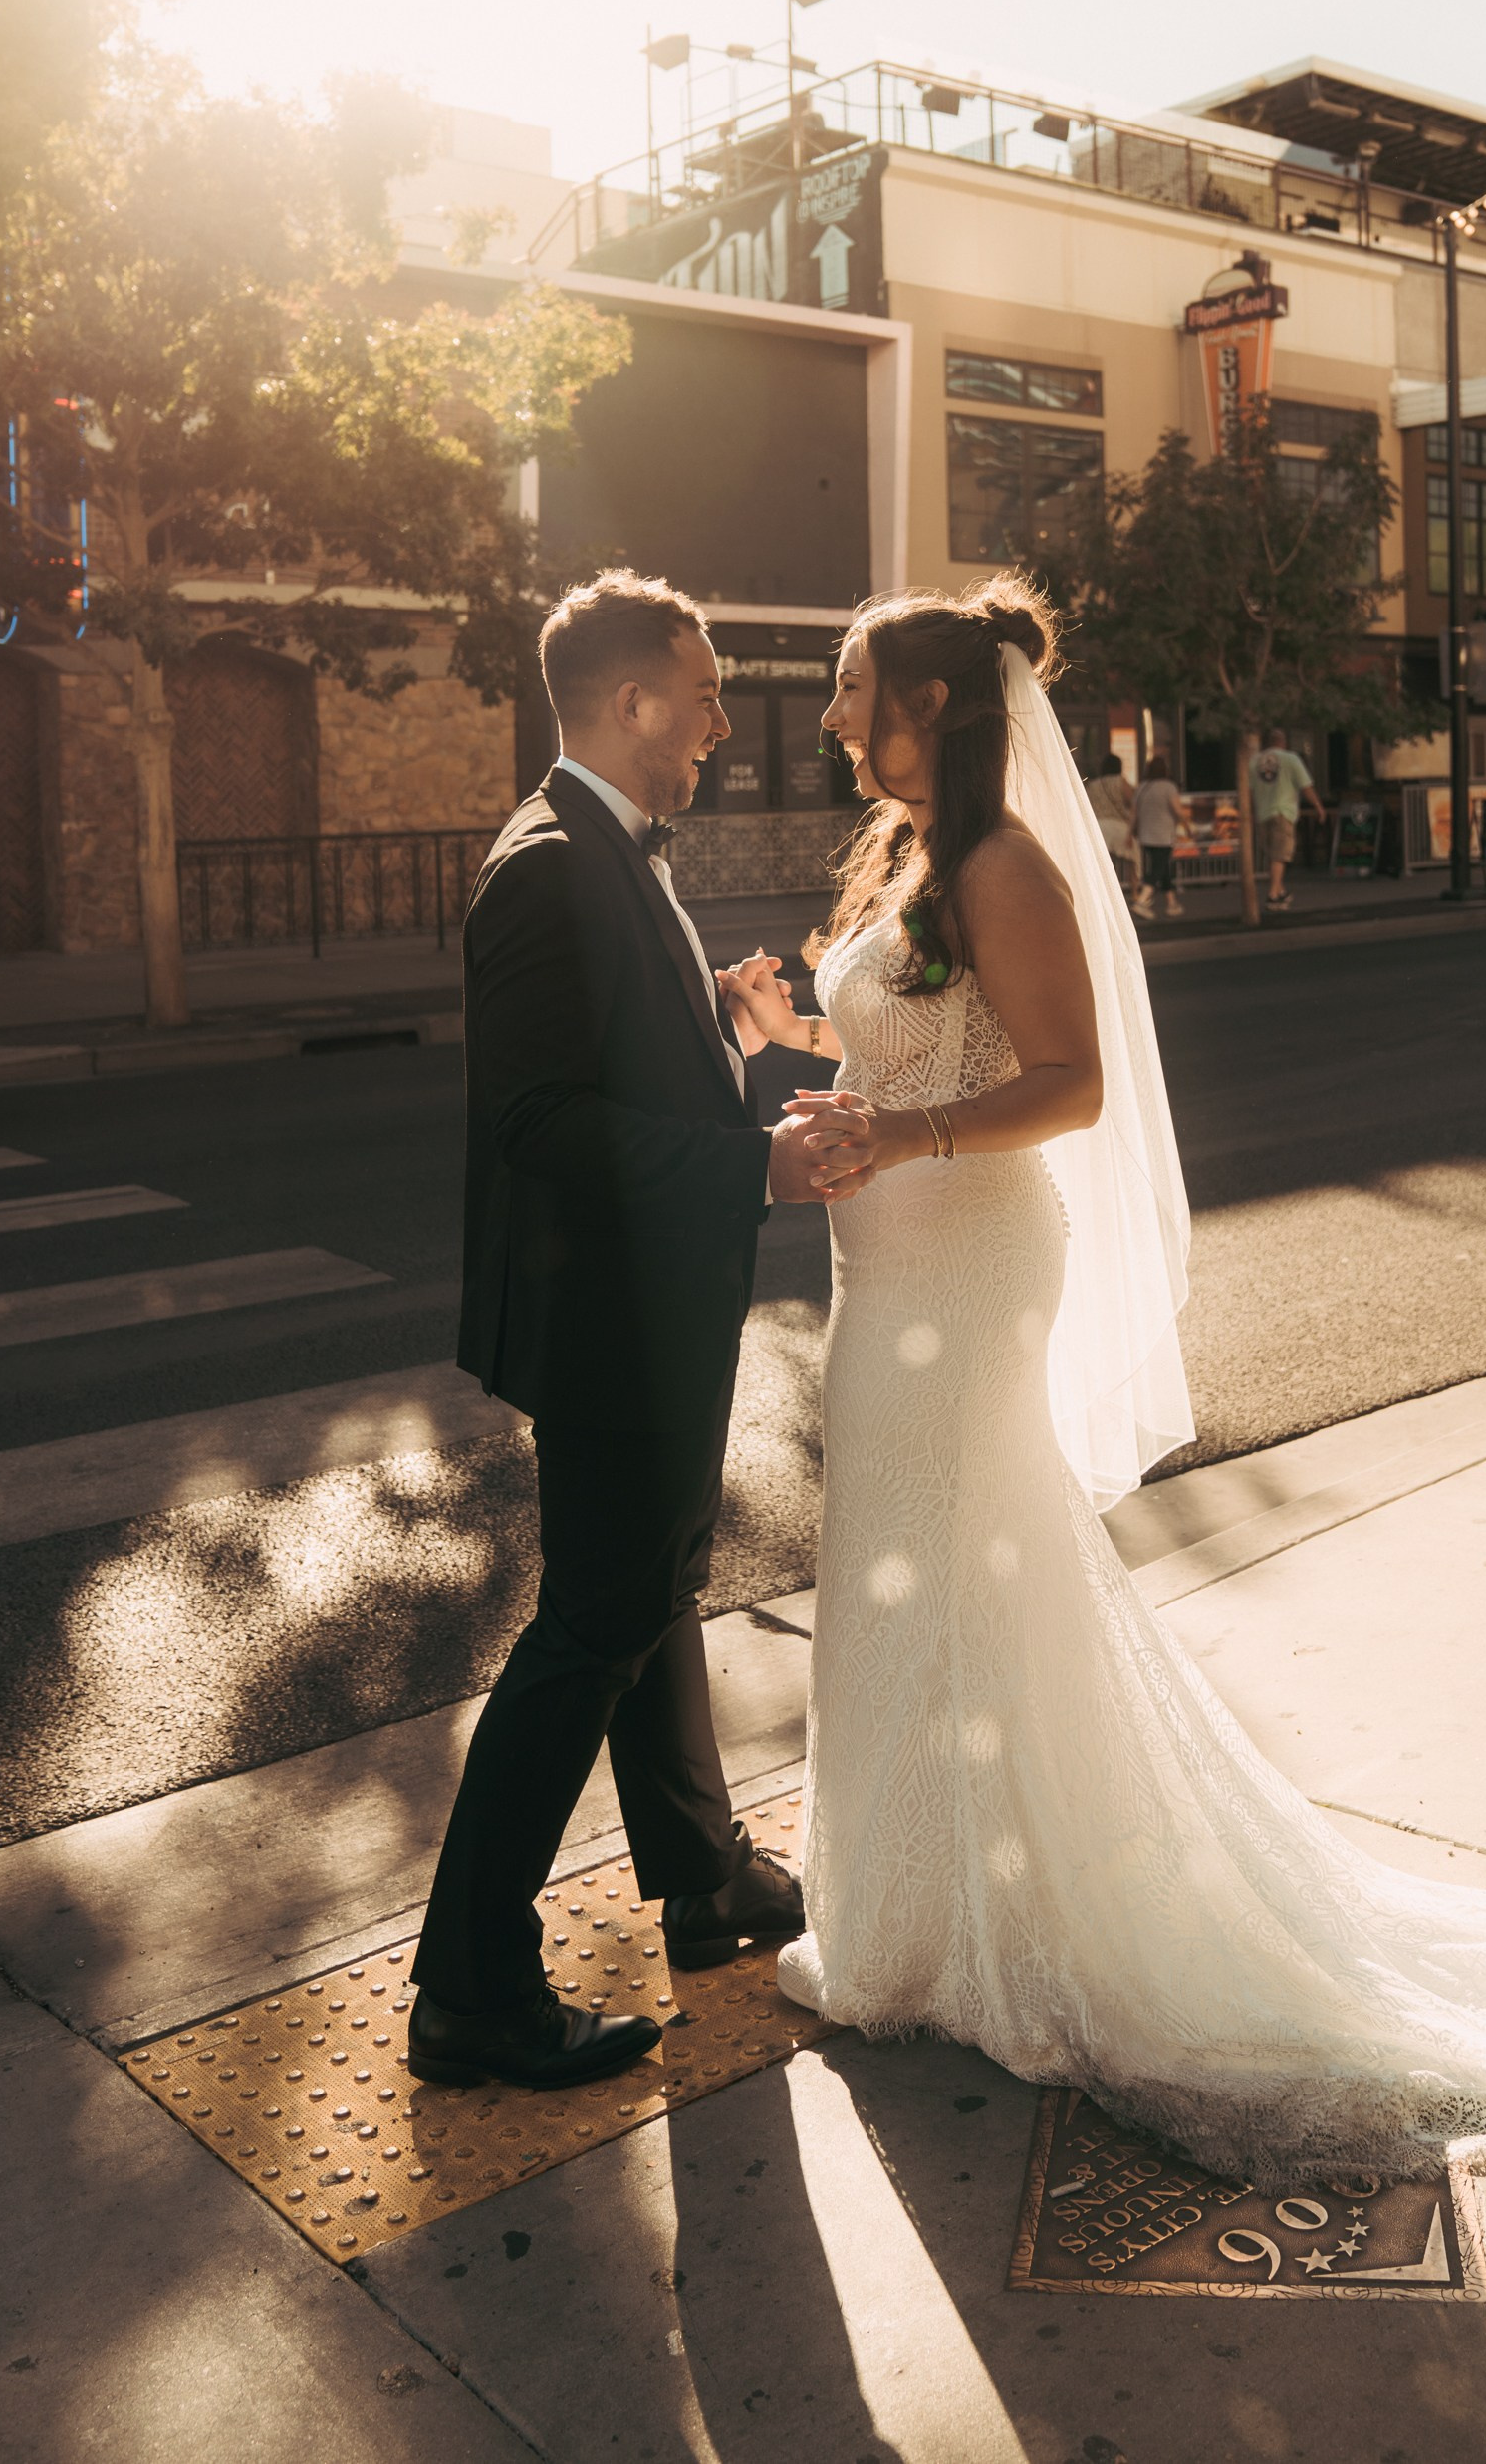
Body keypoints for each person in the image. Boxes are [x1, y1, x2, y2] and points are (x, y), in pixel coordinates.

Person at [716, 575, 1486, 2200]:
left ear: (931, 706)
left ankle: (960, 1929)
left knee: (947, 1560)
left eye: (848, 685)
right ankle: (919, 1911)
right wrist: (796, 1034)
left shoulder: (1006, 862)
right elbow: (915, 1054)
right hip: (896, 1263)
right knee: (915, 1570)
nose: (828, 717)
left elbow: (1069, 1082)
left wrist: (899, 1138)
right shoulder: (911, 863)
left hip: (963, 1267)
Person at [407, 573, 874, 2095]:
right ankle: (471, 1987)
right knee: (595, 1626)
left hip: (648, 1309)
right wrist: (755, 1160)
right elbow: (544, 1125)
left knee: (656, 1587)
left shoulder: (602, 845)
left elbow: (618, 1066)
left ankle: (703, 1880)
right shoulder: (545, 865)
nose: (724, 727)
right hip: (608, 1320)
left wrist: (721, 1035)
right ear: (630, 705)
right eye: (707, 694)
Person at [1247, 732, 1326, 910]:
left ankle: (1280, 890)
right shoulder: (1291, 759)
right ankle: (1273, 895)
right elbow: (1305, 786)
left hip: (1262, 813)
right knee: (1280, 854)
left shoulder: (1254, 761)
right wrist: (1318, 806)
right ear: (1283, 742)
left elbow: (1249, 790)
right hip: (1282, 811)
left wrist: (1251, 812)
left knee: (1272, 854)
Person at [1130, 750, 1182, 916]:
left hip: (1146, 835)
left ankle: (1172, 904)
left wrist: (1131, 832)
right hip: (1164, 834)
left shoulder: (1142, 787)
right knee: (1158, 868)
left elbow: (1134, 813)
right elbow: (1177, 809)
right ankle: (1142, 901)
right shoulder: (1169, 786)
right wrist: (1188, 825)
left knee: (1162, 867)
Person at [1083, 749, 1137, 898]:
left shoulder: (1092, 785)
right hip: (1119, 826)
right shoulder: (1121, 781)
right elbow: (1133, 803)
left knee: (1103, 864)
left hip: (1099, 827)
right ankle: (1135, 893)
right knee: (1133, 861)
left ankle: (1103, 895)